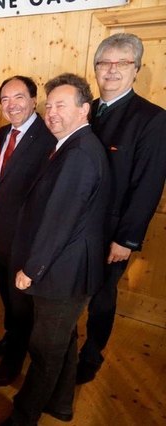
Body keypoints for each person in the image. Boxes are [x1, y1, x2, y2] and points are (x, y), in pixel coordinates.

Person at [2, 74, 110, 425]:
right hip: (68, 268)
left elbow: (59, 221)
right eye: (49, 106)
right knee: (61, 341)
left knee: (45, 348)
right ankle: (61, 404)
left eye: (61, 105)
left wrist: (32, 269)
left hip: (63, 272)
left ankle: (23, 415)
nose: (52, 112)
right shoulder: (72, 146)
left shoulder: (79, 152)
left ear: (85, 109)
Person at [77, 33, 166, 384]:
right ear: (95, 68)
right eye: (104, 63)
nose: (111, 70)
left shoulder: (152, 119)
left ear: (136, 70)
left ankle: (91, 355)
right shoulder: (88, 111)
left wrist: (126, 240)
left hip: (111, 234)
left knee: (101, 298)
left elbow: (148, 186)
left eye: (121, 63)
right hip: (76, 227)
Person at [0, 76, 55, 385]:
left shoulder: (49, 136)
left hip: (26, 238)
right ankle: (10, 339)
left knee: (22, 301)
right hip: (0, 234)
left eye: (18, 98)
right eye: (5, 99)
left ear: (34, 100)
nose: (11, 105)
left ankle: (14, 361)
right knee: (9, 299)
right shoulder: (1, 133)